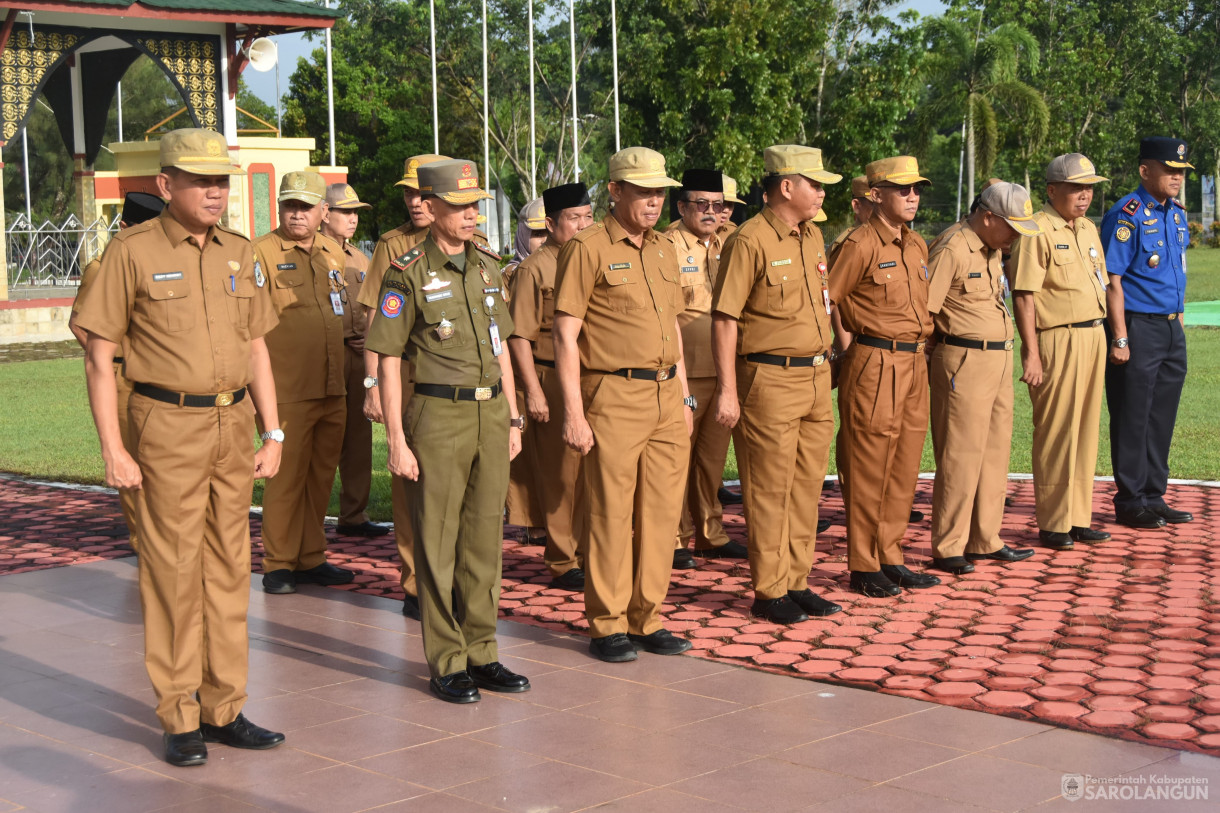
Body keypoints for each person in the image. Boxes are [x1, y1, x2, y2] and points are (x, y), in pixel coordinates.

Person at [75, 128, 285, 766]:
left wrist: (272, 432)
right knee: (171, 571)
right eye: (202, 181)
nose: (217, 191)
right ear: (166, 186)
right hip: (165, 426)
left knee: (229, 570)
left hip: (232, 425)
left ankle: (225, 707)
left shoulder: (241, 253)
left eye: (222, 180)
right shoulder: (132, 252)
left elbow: (257, 347)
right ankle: (179, 714)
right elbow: (100, 355)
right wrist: (113, 448)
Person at [367, 158, 530, 703]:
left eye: (474, 206)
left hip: (490, 414)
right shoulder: (406, 271)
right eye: (458, 207)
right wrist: (396, 439)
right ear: (430, 208)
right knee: (437, 543)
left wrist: (512, 415)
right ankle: (447, 659)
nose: (469, 216)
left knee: (484, 540)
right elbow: (388, 360)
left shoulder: (487, 266)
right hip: (437, 417)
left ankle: (483, 651)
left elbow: (502, 343)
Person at [554, 147, 695, 663]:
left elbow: (673, 330)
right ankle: (607, 622)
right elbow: (565, 336)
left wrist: (683, 396)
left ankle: (646, 616)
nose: (655, 201)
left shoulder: (664, 249)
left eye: (660, 191)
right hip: (612, 393)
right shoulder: (586, 248)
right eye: (643, 191)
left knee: (660, 513)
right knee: (610, 512)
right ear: (614, 191)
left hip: (664, 394)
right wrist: (573, 411)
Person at [710, 145, 844, 623]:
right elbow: (725, 319)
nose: (822, 191)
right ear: (786, 186)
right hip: (768, 377)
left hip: (814, 375)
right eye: (815, 183)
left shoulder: (812, 236)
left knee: (808, 486)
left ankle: (797, 581)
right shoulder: (750, 240)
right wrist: (727, 389)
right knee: (769, 488)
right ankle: (769, 591)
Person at [829, 156, 939, 598]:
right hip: (873, 359)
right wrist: (840, 350)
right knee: (868, 464)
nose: (912, 196)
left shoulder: (916, 245)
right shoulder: (858, 245)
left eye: (916, 189)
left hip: (914, 363)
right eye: (902, 189)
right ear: (876, 196)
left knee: (904, 464)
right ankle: (862, 562)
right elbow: (827, 299)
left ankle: (890, 555)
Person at [926, 182, 1037, 573]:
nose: (1015, 237)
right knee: (960, 456)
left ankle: (984, 539)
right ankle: (948, 545)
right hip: (963, 361)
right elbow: (925, 312)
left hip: (997, 361)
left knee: (993, 454)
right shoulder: (953, 247)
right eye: (1011, 227)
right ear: (987, 216)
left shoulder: (991, 249)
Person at [357, 152, 449, 619]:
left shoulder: (471, 243)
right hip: (406, 379)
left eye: (423, 193)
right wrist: (372, 383)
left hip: (455, 382)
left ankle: (452, 578)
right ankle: (415, 583)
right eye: (409, 193)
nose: (415, 202)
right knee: (409, 481)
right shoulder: (391, 246)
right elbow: (376, 317)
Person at [253, 172, 353, 594]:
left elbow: (341, 306)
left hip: (334, 384)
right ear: (279, 207)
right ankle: (277, 563)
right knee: (286, 480)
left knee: (320, 476)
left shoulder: (334, 253)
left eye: (306, 206)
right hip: (287, 389)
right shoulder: (260, 253)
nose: (297, 213)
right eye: (290, 205)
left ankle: (311, 556)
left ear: (323, 212)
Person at [1010, 154, 1114, 549]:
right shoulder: (1036, 230)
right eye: (1075, 188)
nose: (1084, 195)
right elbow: (1023, 296)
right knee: (1056, 430)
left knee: (1086, 429)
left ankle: (1078, 516)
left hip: (1092, 335)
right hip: (1057, 338)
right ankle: (1054, 521)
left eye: (1089, 188)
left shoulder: (1088, 228)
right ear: (1052, 190)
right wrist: (1031, 354)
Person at [1100, 137, 1193, 529]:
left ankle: (1154, 495)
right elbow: (1111, 280)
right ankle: (1130, 499)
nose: (1177, 177)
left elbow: (1178, 273)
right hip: (1138, 327)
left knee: (1161, 416)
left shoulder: (1175, 215)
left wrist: (1180, 321)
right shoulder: (1127, 214)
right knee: (1133, 415)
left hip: (1172, 327)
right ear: (1145, 170)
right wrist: (1120, 337)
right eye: (1170, 169)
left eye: (1182, 171)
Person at [507, 183, 595, 591]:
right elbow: (520, 337)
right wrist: (535, 392)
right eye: (574, 219)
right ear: (551, 223)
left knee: (591, 471)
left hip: (593, 377)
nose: (582, 225)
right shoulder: (534, 269)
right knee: (562, 473)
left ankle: (589, 549)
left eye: (588, 217)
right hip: (550, 375)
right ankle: (562, 559)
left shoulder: (595, 257)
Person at [69, 191, 165, 554]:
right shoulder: (102, 267)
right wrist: (112, 362)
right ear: (124, 227)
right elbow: (80, 324)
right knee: (133, 465)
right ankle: (144, 543)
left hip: (158, 378)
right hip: (124, 378)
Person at [667, 169, 748, 571]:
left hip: (724, 370)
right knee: (678, 459)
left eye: (718, 205)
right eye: (701, 204)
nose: (711, 212)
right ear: (682, 206)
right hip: (687, 371)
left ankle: (710, 534)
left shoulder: (730, 243)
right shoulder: (666, 245)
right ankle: (677, 537)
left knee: (712, 461)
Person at [319, 182, 387, 538]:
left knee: (359, 438)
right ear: (325, 213)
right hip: (321, 356)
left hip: (359, 356)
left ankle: (354, 514)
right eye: (345, 211)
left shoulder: (362, 260)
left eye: (356, 212)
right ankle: (309, 515)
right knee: (322, 439)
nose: (353, 219)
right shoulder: (312, 253)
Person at [504, 196, 549, 545]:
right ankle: (530, 520)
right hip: (519, 373)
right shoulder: (507, 275)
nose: (541, 242)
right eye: (534, 234)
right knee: (527, 453)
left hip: (556, 370)